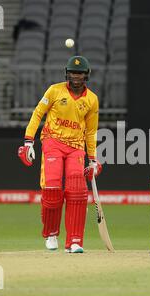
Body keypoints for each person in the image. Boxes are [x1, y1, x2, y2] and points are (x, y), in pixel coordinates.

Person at [18, 55, 102, 254]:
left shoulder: (91, 99)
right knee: (53, 188)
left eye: (80, 73)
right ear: (67, 73)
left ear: (87, 75)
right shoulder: (54, 90)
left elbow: (91, 131)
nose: (76, 77)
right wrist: (28, 141)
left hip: (76, 146)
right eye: (73, 73)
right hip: (53, 141)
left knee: (77, 191)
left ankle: (74, 240)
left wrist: (93, 159)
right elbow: (38, 113)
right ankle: (51, 233)